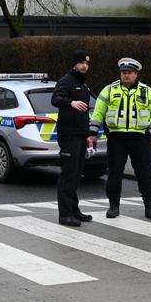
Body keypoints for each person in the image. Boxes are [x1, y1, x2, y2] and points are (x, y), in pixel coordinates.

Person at [89, 58, 151, 220]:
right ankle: (113, 206)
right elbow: (98, 112)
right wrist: (92, 133)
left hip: (140, 139)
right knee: (114, 173)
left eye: (129, 73)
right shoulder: (109, 90)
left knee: (145, 174)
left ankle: (150, 206)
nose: (126, 76)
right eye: (123, 73)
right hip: (117, 138)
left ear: (136, 74)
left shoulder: (146, 91)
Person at [51, 50, 95, 227]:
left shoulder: (83, 85)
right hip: (69, 136)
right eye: (81, 63)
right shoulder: (66, 81)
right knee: (68, 176)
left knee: (76, 175)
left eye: (87, 63)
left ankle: (74, 210)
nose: (85, 66)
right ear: (74, 64)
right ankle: (65, 214)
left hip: (80, 135)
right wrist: (71, 103)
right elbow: (55, 99)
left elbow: (84, 114)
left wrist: (88, 136)